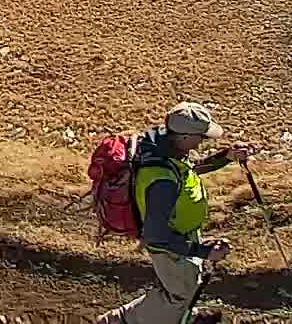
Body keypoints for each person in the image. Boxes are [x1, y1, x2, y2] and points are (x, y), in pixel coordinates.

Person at [98, 102, 240, 324]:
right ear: (183, 136)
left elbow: (189, 169)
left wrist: (226, 157)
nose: (204, 140)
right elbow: (155, 236)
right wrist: (201, 251)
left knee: (186, 284)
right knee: (181, 293)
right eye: (201, 136)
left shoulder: (167, 146)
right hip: (170, 245)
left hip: (181, 233)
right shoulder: (162, 181)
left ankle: (173, 316)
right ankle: (121, 320)